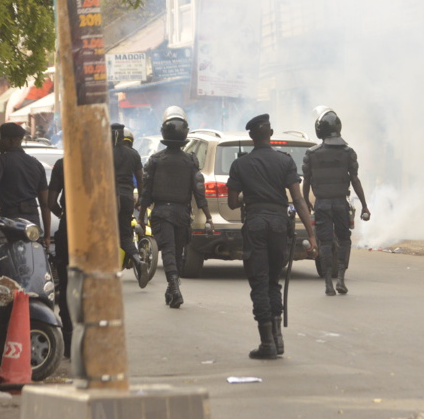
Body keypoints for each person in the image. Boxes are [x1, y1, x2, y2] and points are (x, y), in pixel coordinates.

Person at [226, 114, 317, 360]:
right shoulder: (285, 161)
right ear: (271, 133)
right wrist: (312, 235)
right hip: (279, 225)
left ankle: (267, 343)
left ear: (251, 136)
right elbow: (298, 199)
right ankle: (278, 339)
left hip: (255, 224)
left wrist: (248, 196)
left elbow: (232, 202)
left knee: (259, 282)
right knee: (273, 282)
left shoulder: (240, 164)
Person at [138, 107, 213, 308]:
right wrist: (208, 217)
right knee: (177, 252)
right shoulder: (190, 161)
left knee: (169, 252)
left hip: (162, 213)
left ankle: (173, 287)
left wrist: (141, 217)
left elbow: (146, 192)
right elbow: (199, 191)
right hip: (182, 214)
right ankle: (173, 288)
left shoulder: (155, 160)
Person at [302, 106, 370, 295]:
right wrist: (364, 205)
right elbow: (355, 180)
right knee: (344, 240)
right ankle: (340, 279)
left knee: (324, 242)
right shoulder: (348, 152)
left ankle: (328, 284)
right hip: (341, 203)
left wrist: (306, 201)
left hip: (322, 204)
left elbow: (306, 181)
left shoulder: (312, 154)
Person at [47, 158, 73, 358]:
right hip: (94, 231)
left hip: (69, 229)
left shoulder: (63, 164)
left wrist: (64, 215)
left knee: (66, 284)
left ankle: (69, 340)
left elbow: (51, 202)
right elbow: (115, 204)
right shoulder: (102, 162)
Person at [111, 123, 144, 276]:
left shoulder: (104, 153)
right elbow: (140, 179)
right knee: (124, 236)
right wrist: (140, 199)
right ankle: (138, 260)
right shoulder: (133, 154)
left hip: (109, 199)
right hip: (127, 197)